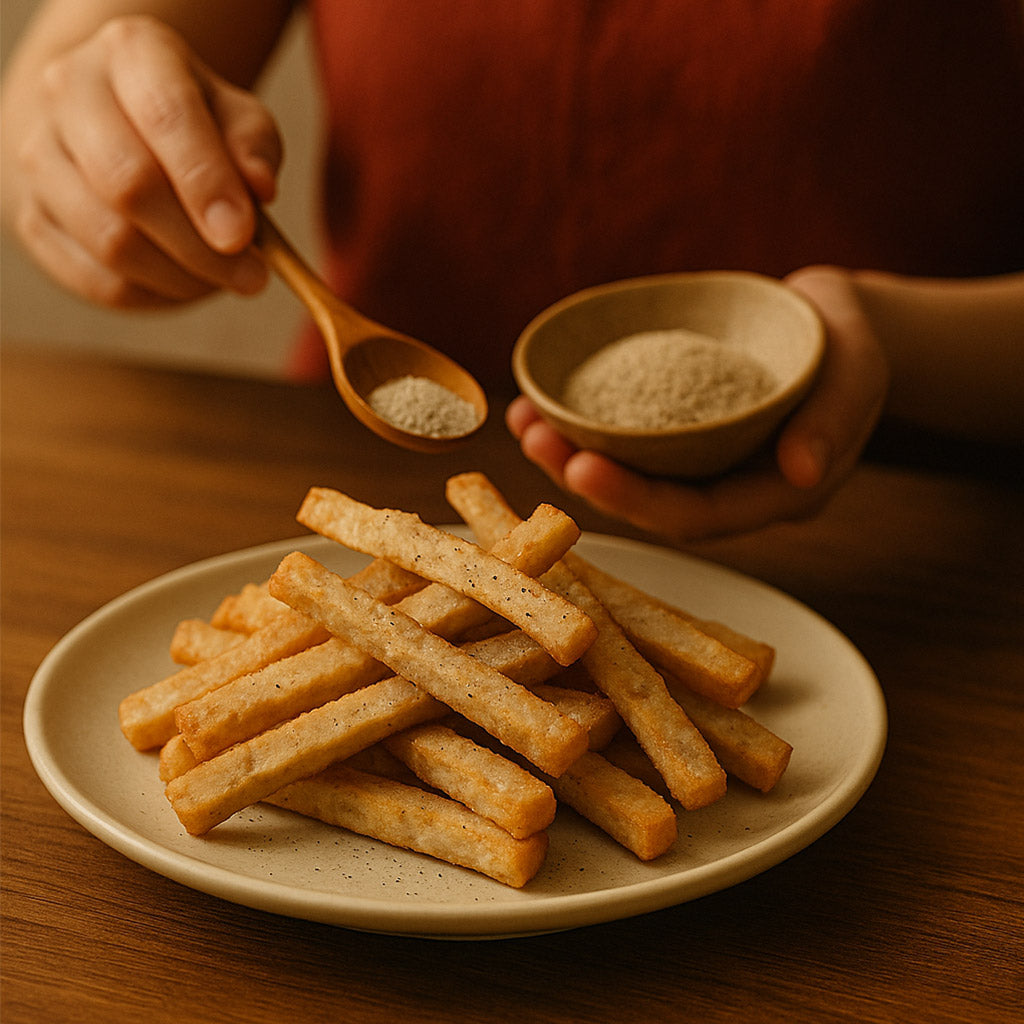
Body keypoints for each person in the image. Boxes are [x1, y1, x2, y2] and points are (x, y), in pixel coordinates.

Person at [3, 2, 1022, 543]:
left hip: (911, 550)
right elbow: (65, 73)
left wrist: (896, 340)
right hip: (353, 491)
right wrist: (84, 141)